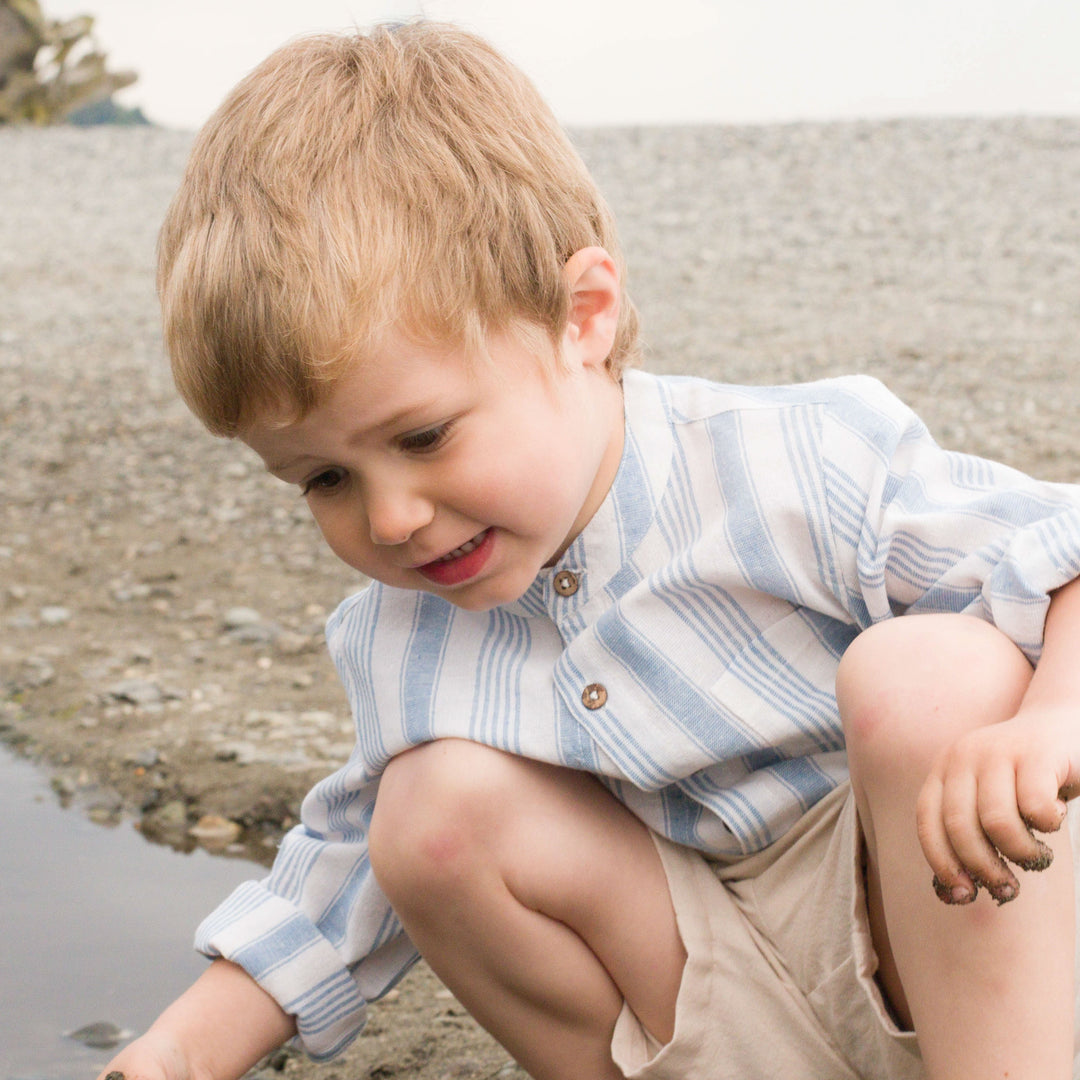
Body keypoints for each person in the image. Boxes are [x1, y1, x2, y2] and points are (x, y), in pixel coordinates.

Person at [98, 21, 1080, 1080]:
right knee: (426, 818)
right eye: (322, 480)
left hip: (957, 939)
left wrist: (1055, 716)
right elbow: (329, 888)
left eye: (423, 437)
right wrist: (173, 1057)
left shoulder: (791, 462)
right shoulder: (403, 642)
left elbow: (1058, 549)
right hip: (728, 996)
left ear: (583, 316)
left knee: (934, 671)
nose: (390, 520)